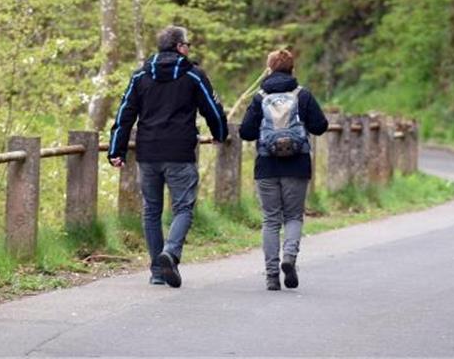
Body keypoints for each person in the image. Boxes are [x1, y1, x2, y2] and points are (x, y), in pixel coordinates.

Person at [107, 25, 228, 288]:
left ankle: (157, 272)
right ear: (179, 47)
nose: (189, 50)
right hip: (180, 152)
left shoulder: (140, 76)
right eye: (188, 45)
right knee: (183, 207)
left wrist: (116, 150)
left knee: (151, 210)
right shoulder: (194, 76)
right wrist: (219, 133)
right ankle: (170, 253)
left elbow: (125, 113)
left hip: (148, 152)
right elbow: (213, 108)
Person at [238, 48, 329, 291]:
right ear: (292, 69)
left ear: (268, 69)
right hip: (297, 165)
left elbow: (245, 132)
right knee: (293, 216)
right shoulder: (303, 95)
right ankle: (289, 257)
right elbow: (321, 126)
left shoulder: (259, 98)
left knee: (270, 220)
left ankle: (271, 276)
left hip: (266, 165)